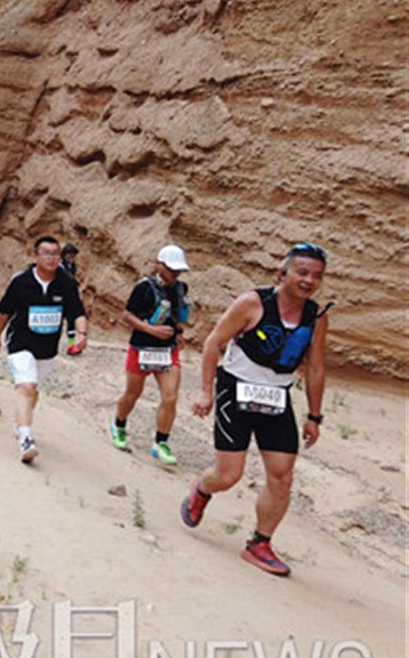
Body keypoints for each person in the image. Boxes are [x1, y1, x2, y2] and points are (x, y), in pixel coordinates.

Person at [181, 243, 330, 577]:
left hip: (277, 397)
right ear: (283, 272)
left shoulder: (316, 316)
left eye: (316, 276)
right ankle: (202, 488)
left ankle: (260, 544)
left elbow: (316, 367)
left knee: (282, 476)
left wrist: (315, 416)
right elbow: (212, 343)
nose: (308, 281)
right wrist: (206, 392)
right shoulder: (252, 303)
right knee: (228, 475)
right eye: (302, 272)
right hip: (236, 389)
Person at [0, 236, 88, 463]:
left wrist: (81, 334)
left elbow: (77, 312)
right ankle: (26, 439)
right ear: (35, 256)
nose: (51, 258)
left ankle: (19, 423)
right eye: (46, 253)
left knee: (33, 391)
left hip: (47, 348)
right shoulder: (20, 282)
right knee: (27, 386)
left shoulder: (66, 284)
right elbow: (5, 312)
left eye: (55, 254)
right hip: (20, 342)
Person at [109, 245, 192, 465]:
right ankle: (118, 425)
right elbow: (127, 314)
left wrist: (179, 334)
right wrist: (150, 330)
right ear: (159, 264)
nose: (175, 274)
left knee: (170, 397)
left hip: (168, 351)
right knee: (133, 393)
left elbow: (177, 316)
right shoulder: (143, 287)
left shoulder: (181, 288)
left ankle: (161, 442)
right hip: (142, 348)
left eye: (178, 270)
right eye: (171, 268)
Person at [60, 243, 83, 353]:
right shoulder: (60, 266)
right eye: (70, 254)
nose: (72, 257)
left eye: (73, 254)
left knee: (71, 321)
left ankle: (71, 345)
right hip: (60, 297)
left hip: (70, 298)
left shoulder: (72, 266)